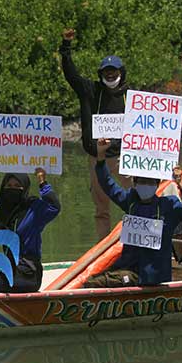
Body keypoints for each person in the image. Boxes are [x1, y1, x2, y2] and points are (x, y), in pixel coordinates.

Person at [84, 140, 182, 287]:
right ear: (135, 183)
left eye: (150, 182)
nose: (145, 185)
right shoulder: (130, 201)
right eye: (141, 182)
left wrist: (180, 185)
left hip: (151, 275)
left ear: (157, 184)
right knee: (93, 280)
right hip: (127, 268)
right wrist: (101, 155)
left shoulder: (168, 206)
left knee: (97, 283)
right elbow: (108, 184)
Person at [60, 27, 129, 240]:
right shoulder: (90, 91)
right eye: (106, 71)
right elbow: (70, 74)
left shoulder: (132, 95)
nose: (110, 74)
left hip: (124, 158)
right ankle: (102, 249)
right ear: (101, 74)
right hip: (97, 158)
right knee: (101, 209)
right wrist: (66, 47)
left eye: (114, 70)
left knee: (135, 203)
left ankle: (133, 243)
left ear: (121, 72)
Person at [0, 168, 61, 293]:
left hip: (29, 273)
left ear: (24, 188)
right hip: (8, 268)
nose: (12, 189)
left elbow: (54, 207)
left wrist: (42, 181)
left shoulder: (34, 210)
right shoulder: (0, 211)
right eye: (9, 185)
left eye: (17, 186)